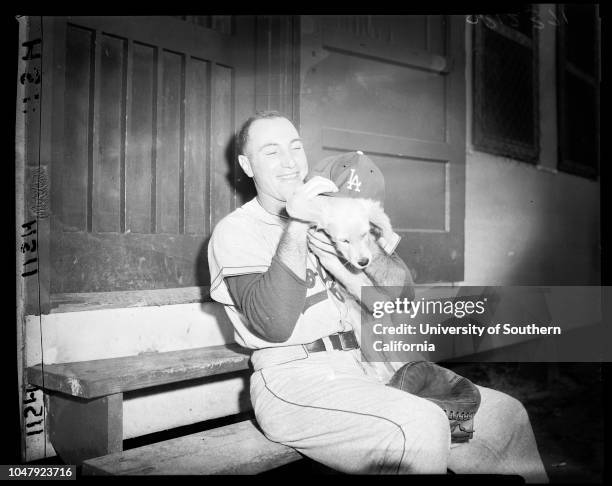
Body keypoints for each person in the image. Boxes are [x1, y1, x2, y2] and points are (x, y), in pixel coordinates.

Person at [208, 111, 549, 481]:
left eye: (295, 147)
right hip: (295, 380)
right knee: (419, 426)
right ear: (246, 164)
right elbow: (273, 324)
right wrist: (298, 224)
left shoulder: (338, 205)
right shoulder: (236, 231)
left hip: (365, 368)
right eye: (271, 152)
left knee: (504, 417)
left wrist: (359, 238)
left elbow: (401, 293)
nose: (290, 161)